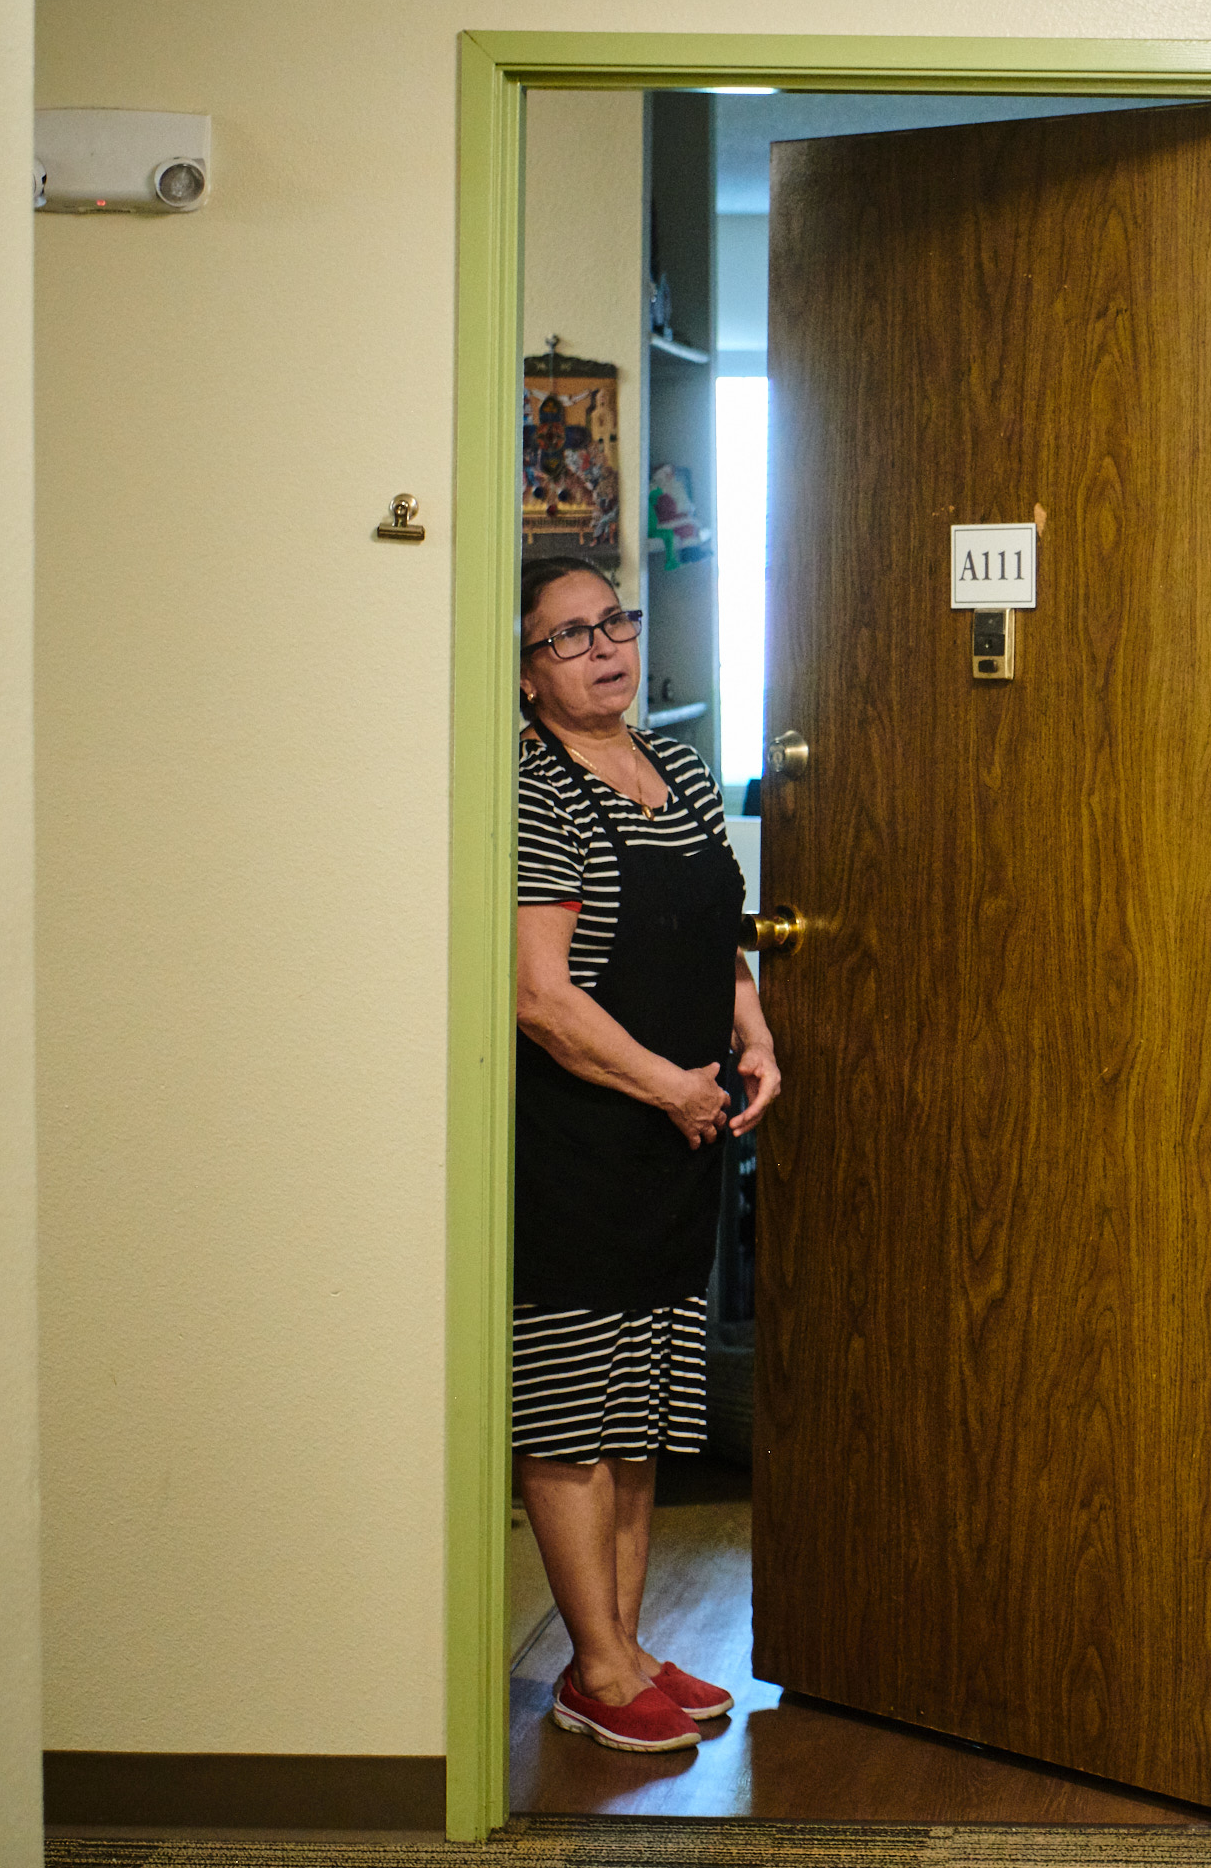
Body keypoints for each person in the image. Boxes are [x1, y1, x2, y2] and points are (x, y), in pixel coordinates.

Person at [512, 554, 782, 1754]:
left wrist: (750, 1024)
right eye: (568, 637)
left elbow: (718, 927)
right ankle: (599, 1667)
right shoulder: (539, 791)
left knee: (640, 1402)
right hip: (582, 1140)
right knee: (571, 1410)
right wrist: (670, 1083)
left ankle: (616, 1640)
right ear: (526, 677)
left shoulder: (672, 758)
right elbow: (541, 997)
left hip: (682, 1128)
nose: (605, 645)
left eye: (612, 620)